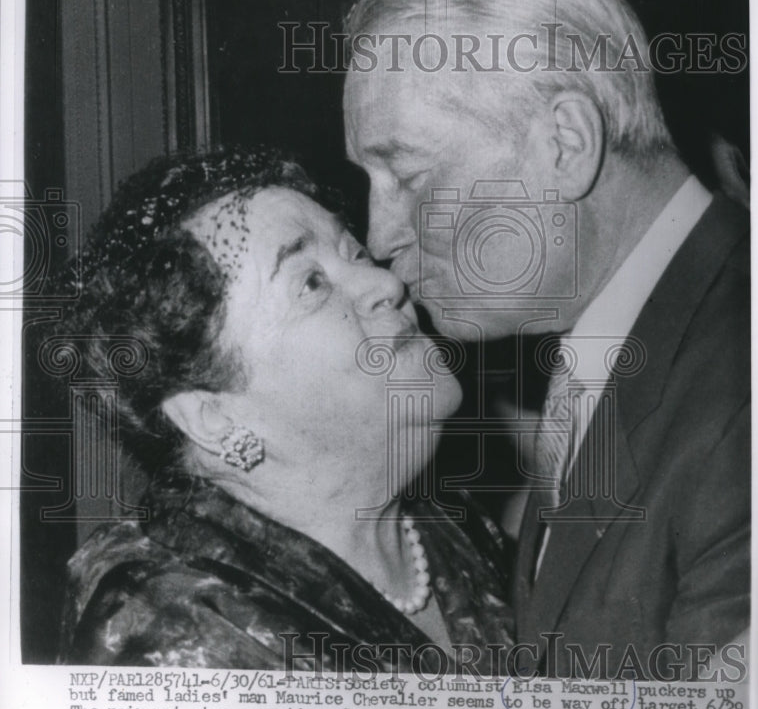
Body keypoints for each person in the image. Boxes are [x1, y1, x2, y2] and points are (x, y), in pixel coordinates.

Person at [343, 0, 750, 677]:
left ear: (564, 143)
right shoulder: (611, 355)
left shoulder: (745, 384)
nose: (379, 238)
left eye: (408, 176)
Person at [56, 147, 515, 671]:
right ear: (214, 417)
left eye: (356, 253)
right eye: (312, 283)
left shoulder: (458, 530)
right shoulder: (171, 633)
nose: (387, 284)